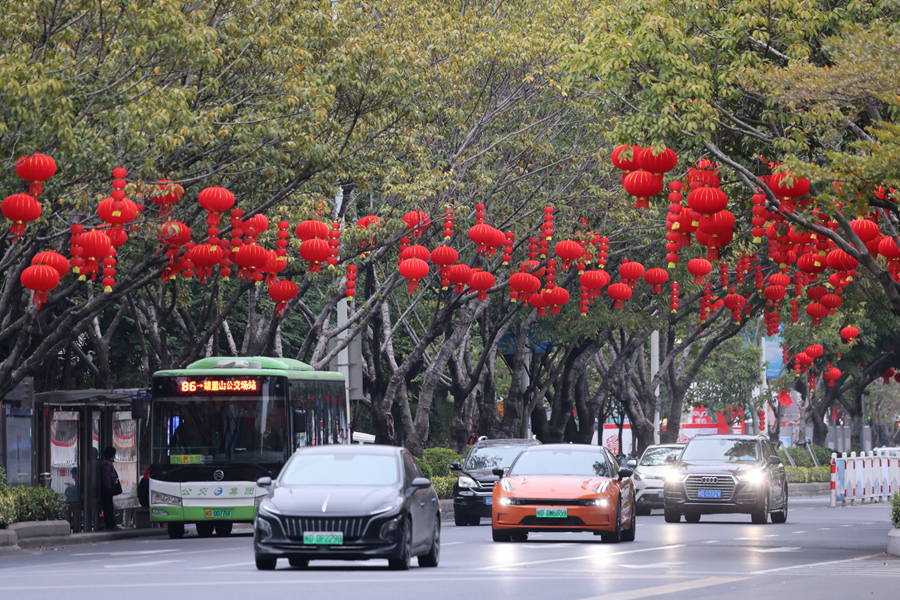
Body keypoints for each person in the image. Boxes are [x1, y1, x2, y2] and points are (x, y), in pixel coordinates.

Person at [98, 446, 120, 531]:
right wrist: (109, 487)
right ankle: (110, 524)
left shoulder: (105, 463)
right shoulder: (107, 464)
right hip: (107, 489)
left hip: (106, 489)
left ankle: (110, 524)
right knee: (108, 507)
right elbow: (106, 477)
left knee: (108, 507)